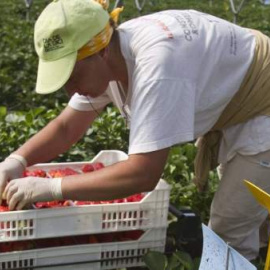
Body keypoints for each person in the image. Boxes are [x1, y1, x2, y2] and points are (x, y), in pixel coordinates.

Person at [1, 0, 270, 261]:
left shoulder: (158, 68)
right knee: (252, 216)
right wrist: (16, 160)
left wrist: (52, 187)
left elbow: (143, 173)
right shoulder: (110, 53)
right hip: (233, 97)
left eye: (72, 76)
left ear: (102, 51)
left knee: (228, 231)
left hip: (261, 106)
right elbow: (66, 127)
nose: (70, 90)